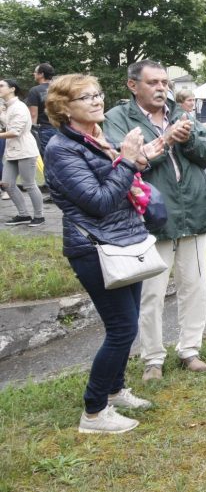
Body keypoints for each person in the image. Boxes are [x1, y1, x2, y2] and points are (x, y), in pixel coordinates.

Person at [45, 73, 164, 433]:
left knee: (126, 326)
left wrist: (137, 159)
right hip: (94, 247)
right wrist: (128, 161)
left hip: (125, 241)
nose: (97, 101)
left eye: (98, 94)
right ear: (65, 108)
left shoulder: (97, 137)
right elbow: (97, 202)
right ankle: (94, 412)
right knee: (121, 328)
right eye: (86, 97)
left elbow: (117, 179)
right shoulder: (61, 149)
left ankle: (114, 391)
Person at [104, 60, 206, 381]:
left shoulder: (183, 115)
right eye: (153, 82)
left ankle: (190, 350)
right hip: (150, 217)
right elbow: (122, 162)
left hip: (192, 211)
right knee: (151, 293)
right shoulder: (118, 118)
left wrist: (189, 139)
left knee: (194, 285)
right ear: (132, 85)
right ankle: (152, 357)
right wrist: (166, 140)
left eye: (164, 82)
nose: (161, 88)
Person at [1, 79, 45, 226]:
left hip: (25, 150)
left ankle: (39, 216)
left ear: (12, 89)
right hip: (12, 151)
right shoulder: (8, 107)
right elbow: (7, 123)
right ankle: (23, 215)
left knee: (29, 184)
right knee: (7, 184)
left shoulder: (19, 107)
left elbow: (16, 131)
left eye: (1, 86)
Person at [26, 62, 57, 159]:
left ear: (41, 74)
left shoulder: (35, 90)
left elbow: (33, 115)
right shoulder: (59, 89)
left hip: (44, 130)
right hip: (62, 128)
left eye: (35, 72)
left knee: (47, 159)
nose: (33, 74)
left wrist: (32, 133)